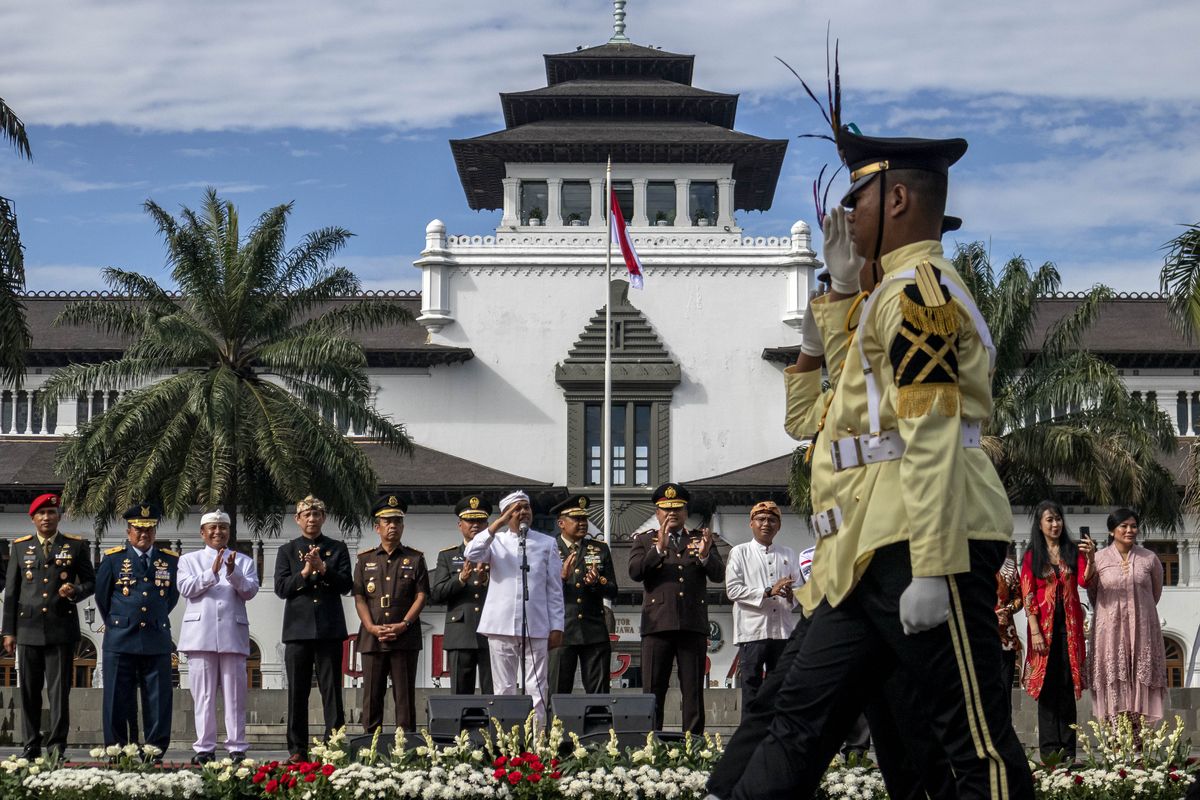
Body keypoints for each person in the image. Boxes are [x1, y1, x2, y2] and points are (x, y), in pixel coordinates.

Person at [715, 129, 1034, 800]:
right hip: (870, 546)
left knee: (972, 741)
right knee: (797, 717)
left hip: (923, 537)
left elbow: (931, 432)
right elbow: (836, 411)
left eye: (854, 199)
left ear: (894, 199)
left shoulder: (920, 292)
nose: (845, 218)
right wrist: (833, 296)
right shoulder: (887, 299)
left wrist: (933, 564)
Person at [2, 493, 96, 760]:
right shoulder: (21, 547)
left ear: (59, 516)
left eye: (51, 512)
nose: (46, 517)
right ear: (32, 518)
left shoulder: (75, 546)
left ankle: (56, 746)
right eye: (41, 513)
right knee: (29, 692)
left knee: (59, 692)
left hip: (61, 629)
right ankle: (31, 744)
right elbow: (11, 592)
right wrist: (8, 631)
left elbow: (91, 582)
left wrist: (75, 591)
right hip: (28, 629)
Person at [628, 482, 725, 733]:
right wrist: (658, 548)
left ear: (686, 511)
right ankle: (650, 743)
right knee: (653, 689)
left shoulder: (700, 538)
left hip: (692, 623)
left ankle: (693, 745)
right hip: (657, 623)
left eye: (678, 509)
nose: (672, 514)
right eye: (666, 509)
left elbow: (718, 574)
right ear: (658, 512)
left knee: (692, 690)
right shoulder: (644, 540)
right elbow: (635, 572)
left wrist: (705, 556)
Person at [464, 490, 564, 723]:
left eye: (526, 508)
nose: (522, 513)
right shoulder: (494, 541)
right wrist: (495, 525)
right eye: (516, 509)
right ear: (506, 514)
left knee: (537, 687)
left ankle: (537, 743)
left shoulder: (547, 543)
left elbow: (554, 590)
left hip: (537, 624)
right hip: (501, 624)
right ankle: (507, 743)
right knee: (504, 688)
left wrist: (557, 625)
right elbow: (471, 552)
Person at [95, 502, 180, 757]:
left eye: (149, 530)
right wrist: (119, 620)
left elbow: (171, 597)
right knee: (116, 698)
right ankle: (117, 748)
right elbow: (102, 597)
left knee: (158, 697)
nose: (144, 535)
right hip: (121, 637)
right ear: (129, 530)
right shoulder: (113, 559)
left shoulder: (169, 560)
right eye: (138, 529)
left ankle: (154, 749)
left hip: (155, 637)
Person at [177, 509, 260, 764]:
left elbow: (250, 591)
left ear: (229, 532)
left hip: (232, 635)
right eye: (212, 528)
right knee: (203, 696)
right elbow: (186, 588)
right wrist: (211, 572)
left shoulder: (243, 561)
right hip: (200, 635)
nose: (217, 532)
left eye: (222, 528)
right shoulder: (188, 560)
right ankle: (204, 747)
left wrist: (233, 572)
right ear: (203, 533)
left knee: (235, 695)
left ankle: (237, 747)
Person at [274, 494, 353, 761]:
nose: (312, 519)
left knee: (332, 692)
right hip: (297, 631)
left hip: (329, 629)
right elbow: (282, 589)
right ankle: (297, 749)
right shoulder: (287, 551)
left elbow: (346, 585)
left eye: (316, 514)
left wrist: (324, 568)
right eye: (306, 515)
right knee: (297, 693)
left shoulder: (337, 548)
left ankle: (335, 745)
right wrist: (306, 572)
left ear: (324, 518)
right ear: (298, 519)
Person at [1021, 499, 1095, 763]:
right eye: (1049, 520)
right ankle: (1049, 752)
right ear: (1040, 525)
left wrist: (1091, 557)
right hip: (1042, 631)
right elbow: (1028, 593)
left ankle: (1069, 752)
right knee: (1047, 690)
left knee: (1066, 688)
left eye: (1058, 519)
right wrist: (1035, 630)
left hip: (1071, 631)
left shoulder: (1072, 551)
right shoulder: (1032, 555)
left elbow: (1086, 580)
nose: (1055, 524)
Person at [353, 494, 429, 734]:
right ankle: (369, 743)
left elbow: (421, 596)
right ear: (378, 527)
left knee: (404, 696)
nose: (393, 526)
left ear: (403, 526)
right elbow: (359, 597)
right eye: (387, 521)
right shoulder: (365, 560)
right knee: (372, 694)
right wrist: (371, 627)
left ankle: (406, 742)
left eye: (397, 521)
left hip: (404, 637)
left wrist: (404, 624)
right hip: (373, 636)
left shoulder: (415, 558)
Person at [1087, 507, 1167, 736]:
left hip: (1142, 629)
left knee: (1140, 680)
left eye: (1133, 525)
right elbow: (1093, 595)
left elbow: (1155, 593)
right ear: (1112, 531)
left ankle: (1141, 743)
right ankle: (1116, 741)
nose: (1129, 530)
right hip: (1109, 632)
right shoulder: (1099, 559)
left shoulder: (1149, 558)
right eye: (1123, 526)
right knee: (1116, 678)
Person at [723, 500, 801, 708]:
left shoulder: (789, 554)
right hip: (753, 631)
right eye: (761, 519)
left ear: (779, 526)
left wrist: (792, 594)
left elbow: (801, 590)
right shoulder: (740, 552)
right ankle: (751, 738)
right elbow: (733, 590)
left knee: (780, 688)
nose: (766, 524)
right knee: (752, 687)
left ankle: (776, 736)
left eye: (772, 520)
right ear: (751, 523)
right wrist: (767, 591)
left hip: (782, 631)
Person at [548, 494, 618, 694]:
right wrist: (560, 577)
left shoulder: (599, 549)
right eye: (576, 519)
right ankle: (554, 726)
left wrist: (597, 583)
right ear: (561, 523)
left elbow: (613, 591)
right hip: (561, 630)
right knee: (557, 692)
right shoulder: (548, 549)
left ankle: (600, 726)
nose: (582, 523)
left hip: (593, 630)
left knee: (598, 694)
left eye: (584, 519)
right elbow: (539, 592)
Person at [430, 495, 494, 694]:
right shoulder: (448, 556)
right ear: (460, 525)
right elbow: (437, 593)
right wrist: (459, 581)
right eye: (470, 520)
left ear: (487, 524)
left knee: (493, 692)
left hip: (491, 629)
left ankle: (494, 727)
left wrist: (485, 580)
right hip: (461, 631)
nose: (475, 525)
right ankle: (462, 727)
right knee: (460, 693)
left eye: (480, 520)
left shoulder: (497, 553)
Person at [996, 541, 1024, 704]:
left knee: (1005, 692)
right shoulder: (972, 563)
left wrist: (1007, 610)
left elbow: (1019, 597)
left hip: (1006, 638)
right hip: (977, 638)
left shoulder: (1009, 566)